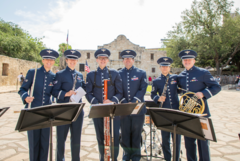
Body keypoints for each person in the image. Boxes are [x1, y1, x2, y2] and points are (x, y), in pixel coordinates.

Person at [177, 50, 221, 161]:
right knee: (189, 143)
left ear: (194, 60)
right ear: (182, 62)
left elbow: (216, 87)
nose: (187, 61)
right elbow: (178, 91)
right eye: (185, 60)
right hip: (187, 114)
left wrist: (203, 94)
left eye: (189, 59)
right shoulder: (180, 76)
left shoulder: (203, 73)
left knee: (203, 143)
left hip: (202, 113)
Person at [18, 49, 59, 161]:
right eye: (46, 59)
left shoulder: (53, 76)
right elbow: (22, 89)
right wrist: (26, 97)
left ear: (54, 62)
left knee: (45, 142)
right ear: (42, 60)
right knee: (33, 142)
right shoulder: (33, 72)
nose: (49, 62)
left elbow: (54, 93)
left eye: (51, 60)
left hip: (46, 114)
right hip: (33, 112)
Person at [85, 48, 123, 161]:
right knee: (100, 137)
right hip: (98, 110)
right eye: (100, 58)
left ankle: (114, 158)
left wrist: (112, 100)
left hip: (113, 110)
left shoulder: (115, 73)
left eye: (105, 58)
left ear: (107, 60)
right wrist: (97, 104)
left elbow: (120, 92)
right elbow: (88, 93)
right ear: (97, 59)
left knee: (115, 136)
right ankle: (103, 158)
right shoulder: (91, 75)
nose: (103, 60)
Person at [52, 50, 86, 161]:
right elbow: (54, 92)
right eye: (70, 59)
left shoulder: (80, 75)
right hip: (63, 110)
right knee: (61, 138)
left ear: (77, 61)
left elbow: (84, 88)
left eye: (74, 59)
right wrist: (66, 94)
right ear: (66, 60)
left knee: (76, 139)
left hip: (77, 111)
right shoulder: (60, 74)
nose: (72, 61)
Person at [118, 50, 148, 161]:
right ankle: (126, 155)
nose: (128, 60)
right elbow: (118, 90)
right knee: (125, 134)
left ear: (133, 60)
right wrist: (125, 102)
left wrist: (135, 100)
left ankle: (136, 156)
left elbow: (143, 88)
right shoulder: (119, 74)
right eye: (125, 59)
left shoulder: (141, 73)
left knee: (136, 134)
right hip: (124, 109)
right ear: (123, 61)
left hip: (138, 109)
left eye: (130, 58)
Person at [150, 57, 181, 161]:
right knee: (165, 138)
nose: (165, 68)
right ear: (160, 68)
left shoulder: (176, 78)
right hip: (164, 112)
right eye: (163, 66)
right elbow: (152, 94)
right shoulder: (156, 81)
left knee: (176, 138)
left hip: (176, 112)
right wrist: (158, 98)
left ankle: (176, 158)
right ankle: (167, 158)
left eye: (166, 66)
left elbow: (181, 89)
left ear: (169, 67)